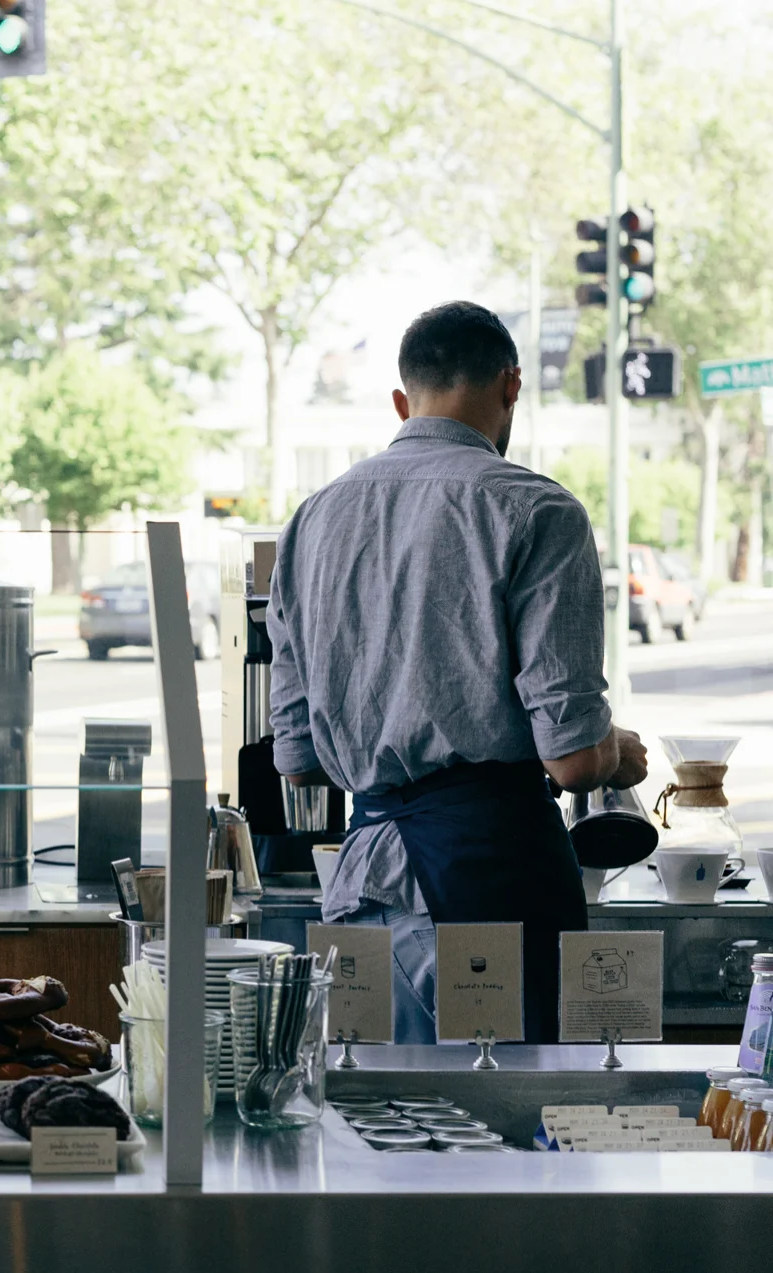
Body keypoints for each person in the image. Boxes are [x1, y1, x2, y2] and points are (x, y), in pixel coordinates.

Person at [266, 301, 648, 1044]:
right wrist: (614, 751)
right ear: (511, 387)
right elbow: (571, 762)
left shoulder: (312, 519)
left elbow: (299, 762)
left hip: (359, 888)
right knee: (508, 1131)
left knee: (372, 1124)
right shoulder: (535, 509)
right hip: (487, 880)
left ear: (402, 403)